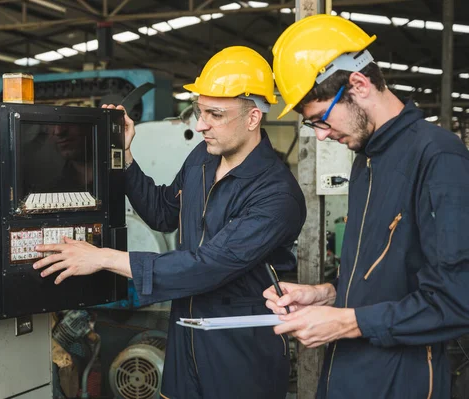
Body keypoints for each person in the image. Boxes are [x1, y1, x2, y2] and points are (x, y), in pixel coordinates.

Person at [33, 46, 306, 399]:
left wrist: (103, 257)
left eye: (215, 114)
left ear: (253, 117)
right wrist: (126, 153)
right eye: (199, 110)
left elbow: (207, 266)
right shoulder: (202, 159)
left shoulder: (276, 194)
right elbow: (162, 212)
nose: (201, 124)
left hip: (239, 346)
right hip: (184, 334)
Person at [264, 14, 469, 399]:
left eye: (320, 120)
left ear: (357, 85)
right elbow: (381, 275)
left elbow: (457, 301)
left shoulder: (438, 158)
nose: (322, 136)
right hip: (347, 373)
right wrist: (325, 294)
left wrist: (346, 323)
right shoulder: (366, 160)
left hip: (404, 380)